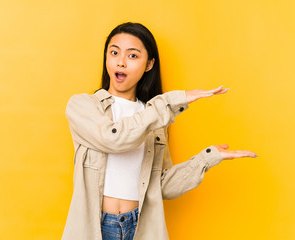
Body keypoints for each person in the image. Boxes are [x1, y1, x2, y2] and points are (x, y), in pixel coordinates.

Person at [62, 22, 258, 240]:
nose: (120, 62)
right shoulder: (83, 106)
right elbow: (114, 138)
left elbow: (161, 185)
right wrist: (171, 102)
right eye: (114, 52)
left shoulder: (154, 117)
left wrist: (208, 158)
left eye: (133, 56)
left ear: (149, 64)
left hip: (141, 227)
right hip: (96, 227)